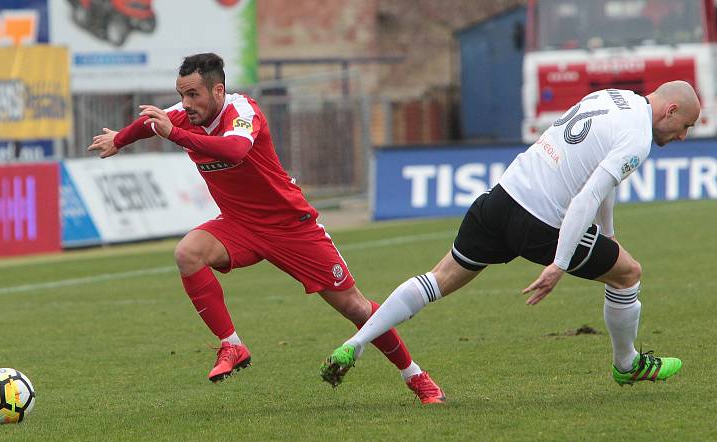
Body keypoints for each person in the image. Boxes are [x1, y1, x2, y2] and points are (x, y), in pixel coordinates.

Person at [87, 53, 445, 404]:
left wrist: (175, 135)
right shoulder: (184, 115)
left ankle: (416, 376)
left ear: (218, 91)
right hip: (239, 225)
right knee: (188, 253)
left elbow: (235, 150)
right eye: (182, 95)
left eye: (193, 94)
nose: (185, 103)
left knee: (355, 307)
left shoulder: (244, 112)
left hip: (291, 227)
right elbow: (155, 121)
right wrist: (119, 140)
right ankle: (233, 345)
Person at [321, 81, 700, 392]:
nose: (683, 136)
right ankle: (626, 363)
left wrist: (610, 234)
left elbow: (599, 178)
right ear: (669, 111)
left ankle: (354, 345)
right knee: (628, 273)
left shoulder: (611, 97)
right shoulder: (638, 138)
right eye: (685, 126)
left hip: (499, 200)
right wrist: (559, 264)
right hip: (540, 224)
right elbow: (587, 196)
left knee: (437, 280)